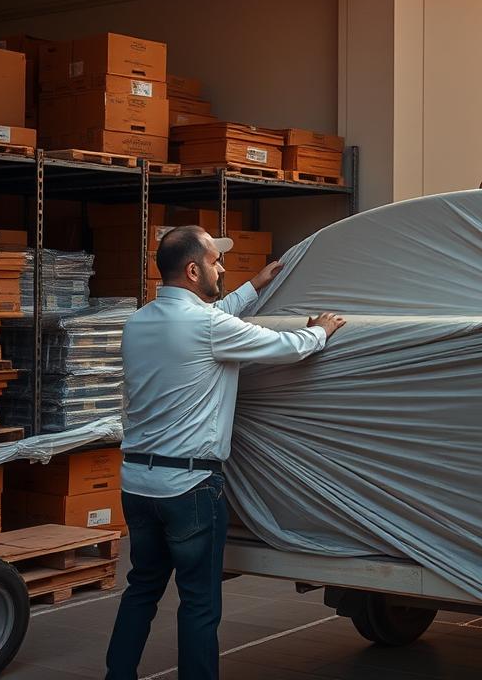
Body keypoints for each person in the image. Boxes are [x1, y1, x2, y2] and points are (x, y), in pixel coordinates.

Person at [105, 226, 346, 680]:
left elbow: (211, 317)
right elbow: (283, 347)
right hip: (190, 488)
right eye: (216, 261)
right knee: (199, 603)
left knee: (141, 588)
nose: (223, 268)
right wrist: (317, 332)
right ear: (194, 270)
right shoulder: (208, 327)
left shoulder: (139, 322)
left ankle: (117, 675)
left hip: (137, 483)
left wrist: (254, 286)